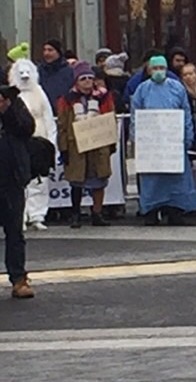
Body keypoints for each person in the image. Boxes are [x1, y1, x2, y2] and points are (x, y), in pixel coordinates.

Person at [131, 56, 196, 225]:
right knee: (152, 179)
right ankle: (151, 211)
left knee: (175, 179)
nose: (158, 71)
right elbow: (135, 116)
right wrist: (136, 137)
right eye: (155, 68)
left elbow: (186, 113)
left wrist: (188, 136)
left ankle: (175, 211)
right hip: (151, 144)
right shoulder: (142, 90)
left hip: (173, 142)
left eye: (161, 68)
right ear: (149, 71)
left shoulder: (177, 88)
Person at [56, 62, 116, 228]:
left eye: (90, 78)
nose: (88, 81)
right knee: (77, 182)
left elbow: (110, 119)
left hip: (99, 145)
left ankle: (97, 213)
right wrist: (64, 148)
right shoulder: (67, 100)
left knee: (100, 180)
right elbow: (62, 125)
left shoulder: (104, 97)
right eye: (83, 79)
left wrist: (112, 143)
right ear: (76, 81)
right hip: (76, 146)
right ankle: (75, 214)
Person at [8, 58, 54, 231]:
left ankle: (37, 215)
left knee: (39, 180)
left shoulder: (39, 92)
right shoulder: (11, 95)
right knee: (19, 181)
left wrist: (51, 142)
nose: (25, 77)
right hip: (19, 143)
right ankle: (20, 216)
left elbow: (48, 117)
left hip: (39, 141)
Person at [0, 79, 35, 298]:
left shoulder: (13, 101)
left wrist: (7, 110)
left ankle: (19, 278)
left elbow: (27, 128)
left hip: (11, 178)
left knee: (14, 230)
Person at [38, 39, 74, 108]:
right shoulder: (39, 71)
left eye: (50, 50)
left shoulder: (69, 71)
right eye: (44, 50)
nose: (46, 53)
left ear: (58, 52)